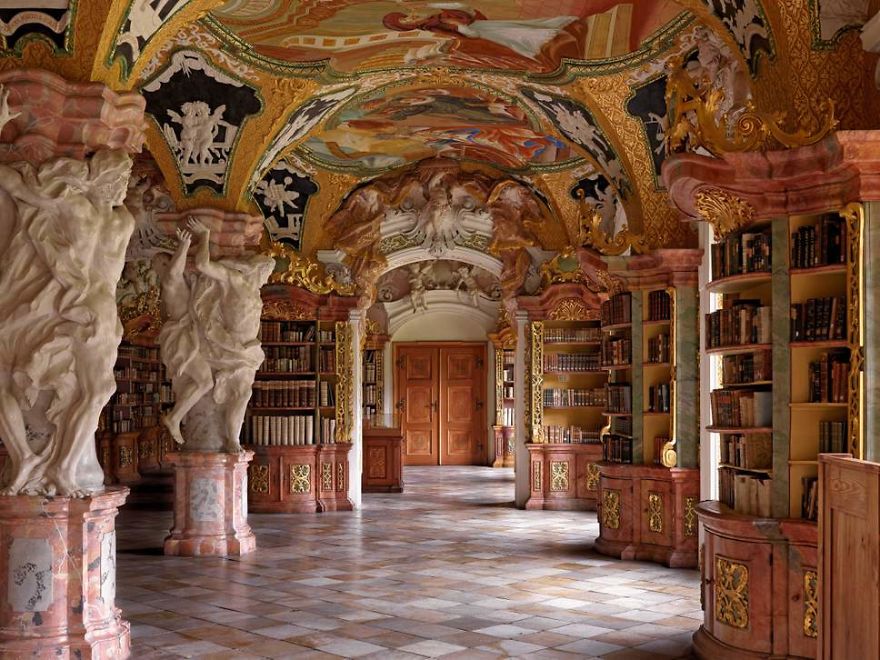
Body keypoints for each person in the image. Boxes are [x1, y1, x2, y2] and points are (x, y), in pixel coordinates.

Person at [159, 218, 273, 452]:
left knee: (242, 393)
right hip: (219, 346)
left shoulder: (252, 290)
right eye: (264, 271)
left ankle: (232, 439)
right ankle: (224, 438)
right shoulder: (235, 279)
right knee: (207, 382)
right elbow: (199, 267)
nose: (264, 277)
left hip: (244, 349)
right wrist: (205, 236)